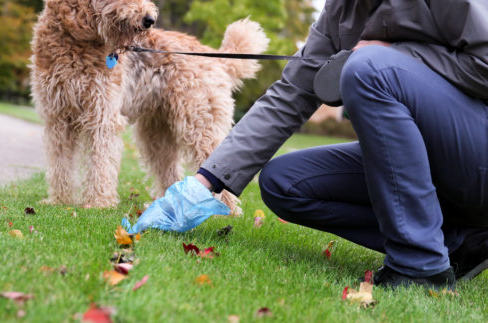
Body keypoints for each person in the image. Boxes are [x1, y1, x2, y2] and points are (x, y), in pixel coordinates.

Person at [133, 0, 488, 290]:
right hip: (433, 168)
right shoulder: (341, 12)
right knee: (284, 184)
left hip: (475, 156)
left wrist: (399, 57)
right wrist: (202, 184)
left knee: (369, 68)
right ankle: (460, 241)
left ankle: (421, 265)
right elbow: (290, 95)